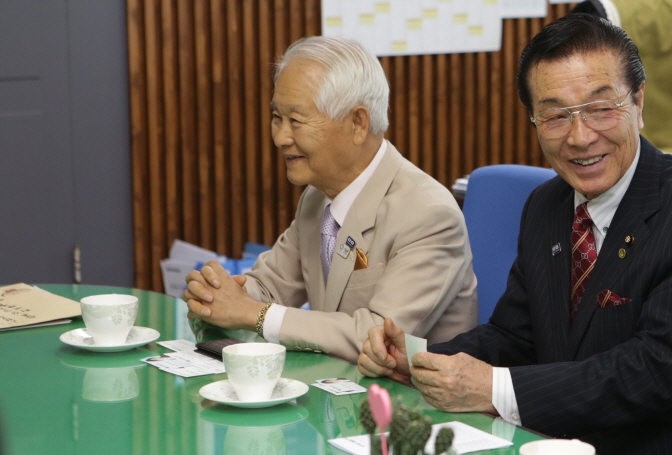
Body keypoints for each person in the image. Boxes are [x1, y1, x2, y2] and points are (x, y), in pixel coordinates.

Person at [358, 13, 672, 455]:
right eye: (556, 115)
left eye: (601, 108)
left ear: (640, 103)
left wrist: (492, 388)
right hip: (551, 454)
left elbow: (653, 372)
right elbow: (517, 337)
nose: (581, 136)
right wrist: (422, 359)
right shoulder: (547, 204)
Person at [184, 36, 478, 363]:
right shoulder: (317, 197)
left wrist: (252, 313)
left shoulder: (428, 214)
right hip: (338, 390)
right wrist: (217, 293)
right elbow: (269, 288)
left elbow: (380, 336)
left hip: (411, 404)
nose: (281, 137)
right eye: (277, 117)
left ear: (357, 123)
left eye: (296, 121)